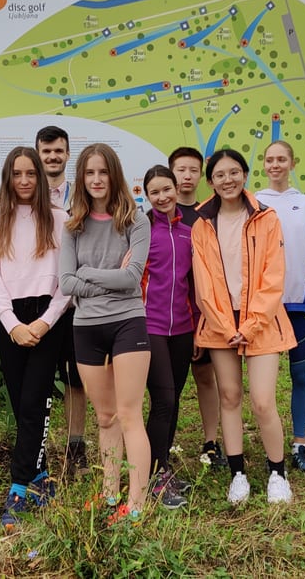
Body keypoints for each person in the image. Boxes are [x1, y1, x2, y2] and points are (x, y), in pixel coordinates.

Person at [191, 148, 295, 505]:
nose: (228, 180)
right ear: (211, 182)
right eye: (220, 175)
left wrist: (250, 325)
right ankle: (238, 474)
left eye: (234, 172)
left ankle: (277, 474)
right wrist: (223, 323)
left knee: (263, 401)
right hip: (221, 322)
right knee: (229, 396)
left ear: (245, 175)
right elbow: (203, 281)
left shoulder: (267, 218)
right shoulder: (202, 224)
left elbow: (274, 275)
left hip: (261, 321)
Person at [59, 143, 152, 521]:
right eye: (89, 173)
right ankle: (110, 495)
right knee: (105, 417)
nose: (97, 179)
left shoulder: (136, 220)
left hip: (129, 322)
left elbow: (133, 279)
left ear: (114, 174)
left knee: (130, 414)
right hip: (86, 327)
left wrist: (89, 274)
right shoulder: (72, 225)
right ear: (81, 178)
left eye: (103, 172)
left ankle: (137, 504)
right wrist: (111, 278)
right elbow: (66, 283)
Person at [0, 147, 71, 530]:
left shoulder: (60, 219)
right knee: (21, 403)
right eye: (16, 174)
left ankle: (18, 488)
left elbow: (67, 281)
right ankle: (39, 475)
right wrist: (13, 323)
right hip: (10, 319)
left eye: (29, 174)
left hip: (48, 319)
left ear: (39, 176)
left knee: (36, 400)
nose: (23, 181)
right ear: (8, 177)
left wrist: (45, 322)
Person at [254, 141, 305, 473]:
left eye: (281, 159)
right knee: (264, 387)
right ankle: (269, 448)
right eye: (270, 159)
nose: (276, 165)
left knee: (300, 376)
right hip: (266, 307)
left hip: (300, 304)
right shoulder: (253, 201)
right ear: (263, 164)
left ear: (292, 163)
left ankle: (300, 444)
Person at [168, 146, 227, 469]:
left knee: (206, 378)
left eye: (193, 170)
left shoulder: (210, 213)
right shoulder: (162, 214)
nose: (187, 176)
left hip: (205, 313)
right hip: (173, 315)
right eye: (181, 170)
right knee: (170, 384)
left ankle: (211, 442)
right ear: (170, 172)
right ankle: (168, 440)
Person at [36, 125, 90, 478]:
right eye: (46, 151)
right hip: (38, 305)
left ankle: (76, 449)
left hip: (76, 305)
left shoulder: (81, 198)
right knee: (38, 381)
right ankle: (36, 451)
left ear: (68, 155)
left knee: (75, 379)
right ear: (38, 153)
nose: (53, 156)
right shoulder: (26, 195)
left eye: (59, 151)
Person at [141, 165, 194, 510]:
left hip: (185, 328)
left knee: (173, 399)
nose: (162, 197)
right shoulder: (141, 230)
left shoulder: (191, 232)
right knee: (162, 401)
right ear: (146, 197)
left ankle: (163, 467)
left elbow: (198, 284)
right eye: (154, 192)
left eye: (166, 189)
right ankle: (153, 475)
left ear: (177, 189)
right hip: (150, 326)